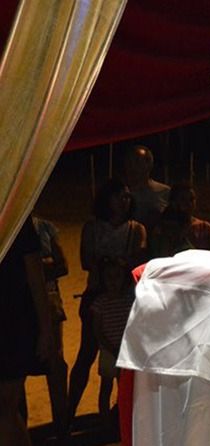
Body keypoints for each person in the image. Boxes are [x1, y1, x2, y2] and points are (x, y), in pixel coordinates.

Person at [68, 179, 146, 427]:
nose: (124, 201)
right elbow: (85, 260)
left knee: (124, 357)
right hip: (98, 295)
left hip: (125, 298)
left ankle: (118, 415)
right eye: (118, 196)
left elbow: (137, 259)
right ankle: (68, 413)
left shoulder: (136, 229)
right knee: (87, 352)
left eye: (126, 197)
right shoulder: (93, 228)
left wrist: (109, 263)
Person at [0, 221, 54, 446]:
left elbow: (36, 275)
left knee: (7, 402)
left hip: (14, 320)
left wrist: (45, 329)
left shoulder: (16, 218)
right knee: (5, 403)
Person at [30, 215, 70, 441]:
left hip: (49, 298)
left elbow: (62, 265)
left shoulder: (45, 227)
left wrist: (32, 269)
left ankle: (61, 426)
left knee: (55, 361)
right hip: (24, 300)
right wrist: (44, 265)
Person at [90, 257, 136, 430]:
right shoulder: (100, 303)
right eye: (109, 277)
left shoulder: (128, 301)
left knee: (123, 387)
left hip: (124, 351)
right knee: (106, 387)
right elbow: (97, 331)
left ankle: (121, 421)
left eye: (117, 277)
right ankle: (105, 422)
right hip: (109, 351)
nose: (113, 282)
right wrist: (110, 347)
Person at [149, 183, 210, 258]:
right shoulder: (162, 230)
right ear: (173, 202)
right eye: (183, 199)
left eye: (191, 199)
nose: (189, 204)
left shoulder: (205, 228)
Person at [122, 145, 170, 231]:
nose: (132, 166)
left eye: (137, 162)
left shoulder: (165, 192)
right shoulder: (120, 194)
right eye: (129, 162)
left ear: (149, 165)